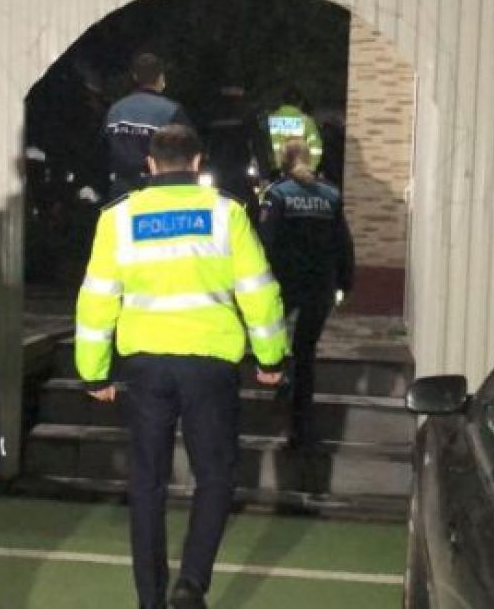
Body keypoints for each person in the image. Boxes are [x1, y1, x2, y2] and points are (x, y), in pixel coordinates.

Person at [74, 124, 288, 609]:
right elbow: (259, 291)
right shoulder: (226, 213)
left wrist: (94, 372)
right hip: (210, 363)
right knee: (214, 476)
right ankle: (191, 583)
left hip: (145, 366)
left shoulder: (119, 218)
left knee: (146, 482)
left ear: (150, 165)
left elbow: (96, 299)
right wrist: (271, 358)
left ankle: (150, 599)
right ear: (197, 163)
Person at [259, 138, 354, 449]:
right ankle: (302, 426)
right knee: (306, 351)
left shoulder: (277, 195)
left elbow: (266, 241)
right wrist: (345, 282)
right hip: (320, 284)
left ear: (284, 162)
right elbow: (343, 243)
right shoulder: (330, 195)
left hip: (285, 282)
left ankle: (281, 381)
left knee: (275, 339)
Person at [102, 52, 192, 200]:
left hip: (120, 190)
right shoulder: (171, 111)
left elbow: (103, 150)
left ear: (135, 77)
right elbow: (187, 151)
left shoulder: (115, 110)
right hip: (159, 190)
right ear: (161, 78)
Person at [264, 89, 323, 174]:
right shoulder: (306, 121)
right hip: (300, 170)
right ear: (300, 103)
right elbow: (316, 147)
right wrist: (311, 168)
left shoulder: (270, 120)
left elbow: (264, 145)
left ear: (282, 102)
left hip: (276, 172)